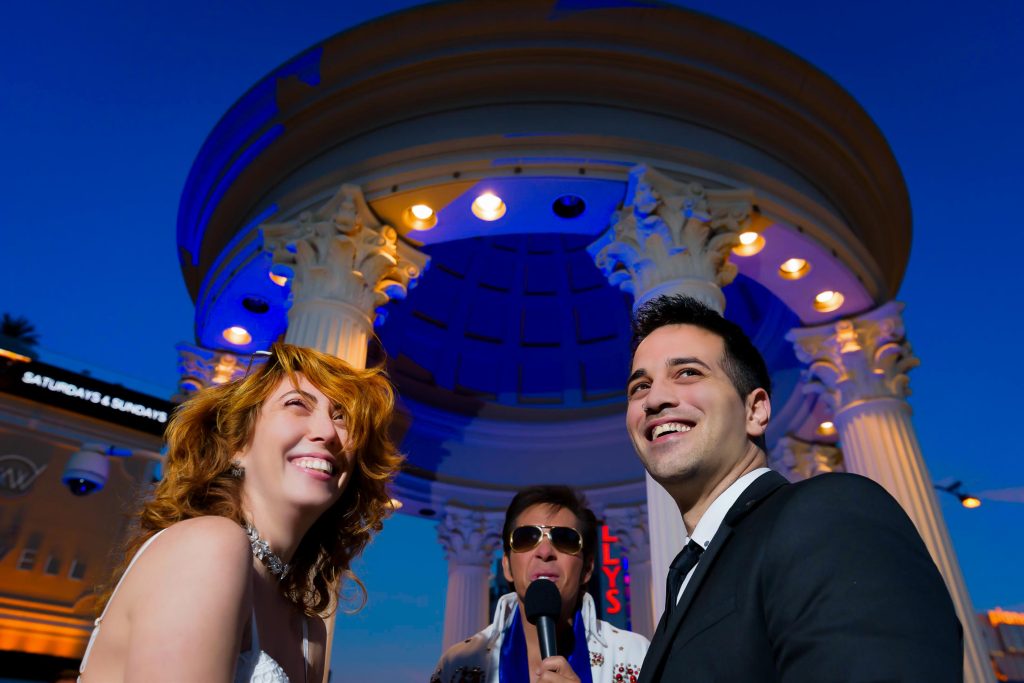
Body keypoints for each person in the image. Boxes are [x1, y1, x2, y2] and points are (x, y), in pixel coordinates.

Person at [624, 294, 963, 682]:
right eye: (639, 387)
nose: (655, 399)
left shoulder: (829, 515)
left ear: (756, 411)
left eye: (688, 373)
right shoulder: (685, 579)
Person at [78, 343, 402, 682]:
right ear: (236, 445)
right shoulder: (208, 544)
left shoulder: (311, 634)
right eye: (297, 404)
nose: (328, 433)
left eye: (342, 417)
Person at [431, 485, 649, 683]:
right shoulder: (458, 666)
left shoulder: (635, 656)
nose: (545, 552)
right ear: (507, 566)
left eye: (565, 539)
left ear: (587, 569)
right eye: (527, 537)